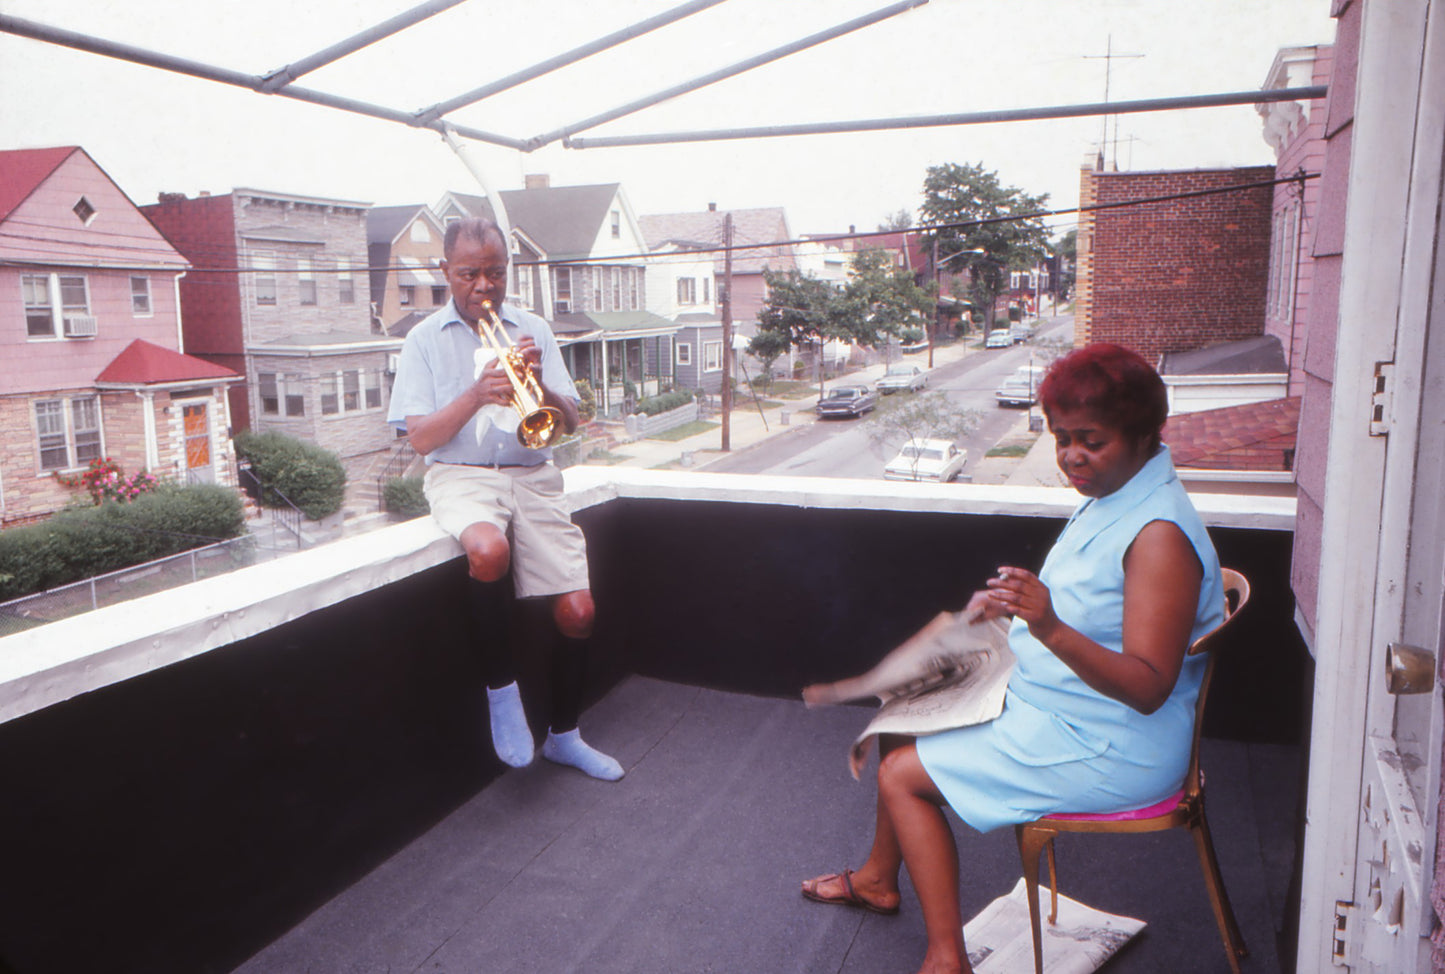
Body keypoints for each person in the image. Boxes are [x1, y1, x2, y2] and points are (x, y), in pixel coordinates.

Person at [801, 343, 1225, 974]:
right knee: (902, 721)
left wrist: (1046, 623)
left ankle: (947, 960)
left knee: (900, 777)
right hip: (1062, 705)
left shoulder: (1159, 536)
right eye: (1062, 439)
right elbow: (1097, 605)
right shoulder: (1119, 495)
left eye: (1092, 441)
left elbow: (1148, 687)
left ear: (1144, 435)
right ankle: (878, 880)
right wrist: (1013, 608)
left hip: (1113, 744)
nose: (1072, 456)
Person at [387, 216, 623, 782]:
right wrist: (476, 395)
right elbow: (420, 439)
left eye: (495, 273)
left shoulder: (534, 328)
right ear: (446, 271)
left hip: (532, 474)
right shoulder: (422, 340)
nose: (484, 286)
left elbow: (569, 421)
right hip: (461, 474)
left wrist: (537, 387)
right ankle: (502, 694)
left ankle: (565, 737)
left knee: (579, 612)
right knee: (488, 549)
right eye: (469, 274)